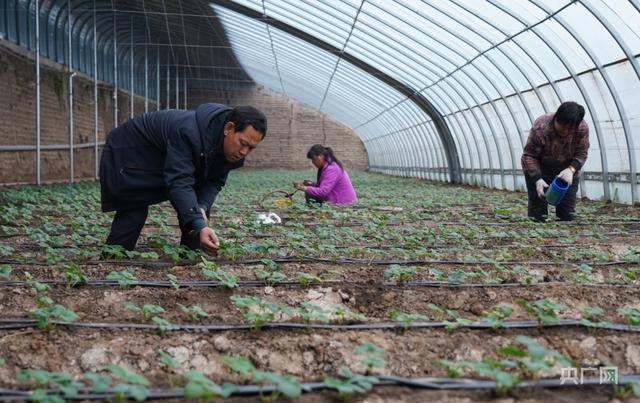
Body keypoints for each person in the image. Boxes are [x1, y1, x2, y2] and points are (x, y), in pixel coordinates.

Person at [100, 103, 267, 255]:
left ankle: (190, 256)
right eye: (243, 143)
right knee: (134, 209)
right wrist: (199, 224)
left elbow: (214, 182)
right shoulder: (189, 132)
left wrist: (202, 206)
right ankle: (112, 261)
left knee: (197, 207)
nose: (244, 152)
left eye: (251, 148)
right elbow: (179, 181)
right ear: (229, 129)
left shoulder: (230, 151)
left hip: (158, 156)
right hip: (129, 151)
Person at [521, 101, 589, 222]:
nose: (565, 131)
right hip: (540, 170)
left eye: (570, 128)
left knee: (567, 215)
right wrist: (537, 179)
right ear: (556, 117)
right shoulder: (541, 127)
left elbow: (582, 153)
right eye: (563, 126)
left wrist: (571, 170)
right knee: (537, 213)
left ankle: (565, 238)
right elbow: (529, 155)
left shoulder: (581, 129)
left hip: (566, 173)